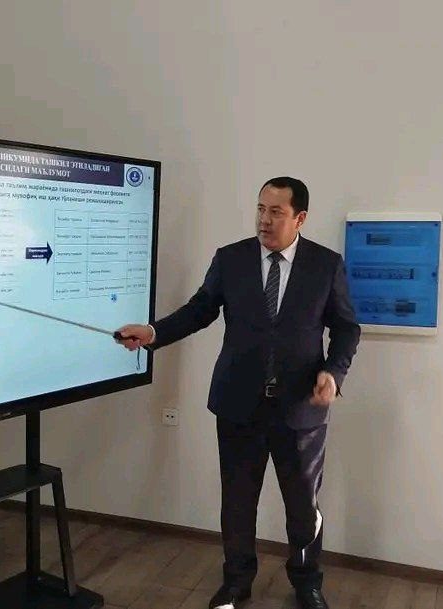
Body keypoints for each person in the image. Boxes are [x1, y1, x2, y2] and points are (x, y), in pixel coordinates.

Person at [116, 176, 359, 609]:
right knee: (237, 502)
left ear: (300, 218)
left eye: (276, 212)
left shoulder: (325, 265)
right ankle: (236, 582)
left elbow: (346, 328)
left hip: (300, 409)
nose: (264, 220)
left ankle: (307, 583)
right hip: (239, 405)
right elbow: (199, 310)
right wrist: (153, 332)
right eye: (260, 209)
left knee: (303, 507)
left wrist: (333, 373)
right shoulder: (231, 259)